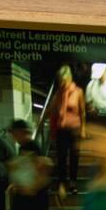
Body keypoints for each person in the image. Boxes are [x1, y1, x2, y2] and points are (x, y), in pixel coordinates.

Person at [39, 65, 86, 202]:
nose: (62, 83)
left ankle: (72, 182)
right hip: (61, 129)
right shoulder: (58, 93)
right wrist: (41, 121)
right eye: (60, 80)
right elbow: (51, 109)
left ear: (69, 78)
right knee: (61, 157)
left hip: (74, 129)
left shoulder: (78, 92)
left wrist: (83, 129)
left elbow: (82, 112)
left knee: (74, 156)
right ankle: (62, 182)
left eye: (63, 80)